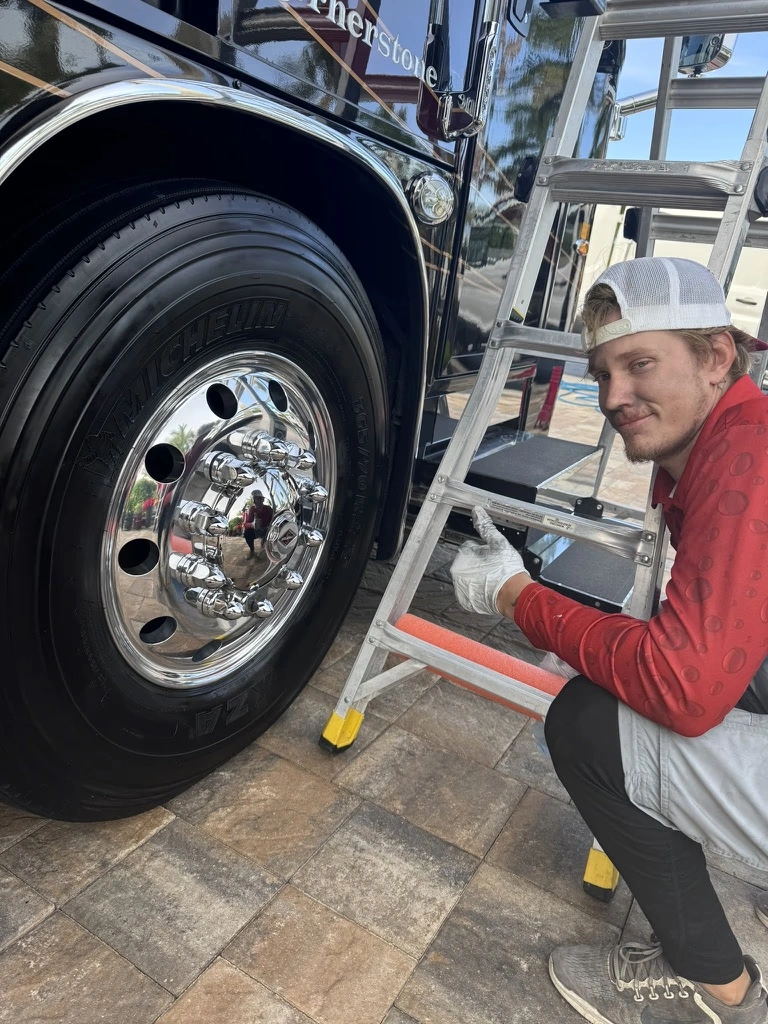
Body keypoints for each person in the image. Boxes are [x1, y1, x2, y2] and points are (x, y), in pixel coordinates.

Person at [450, 257, 768, 1024]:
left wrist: (519, 598)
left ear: (717, 356)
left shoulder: (746, 460)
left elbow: (684, 690)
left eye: (640, 363)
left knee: (590, 724)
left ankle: (715, 987)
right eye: (602, 372)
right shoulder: (719, 438)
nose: (614, 396)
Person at [242, 491, 271, 555]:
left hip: (267, 530)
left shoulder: (268, 509)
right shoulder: (252, 509)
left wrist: (269, 527)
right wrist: (252, 524)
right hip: (256, 531)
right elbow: (245, 524)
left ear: (262, 500)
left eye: (258, 499)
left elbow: (274, 519)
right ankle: (252, 550)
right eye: (255, 499)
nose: (256, 501)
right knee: (247, 533)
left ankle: (265, 541)